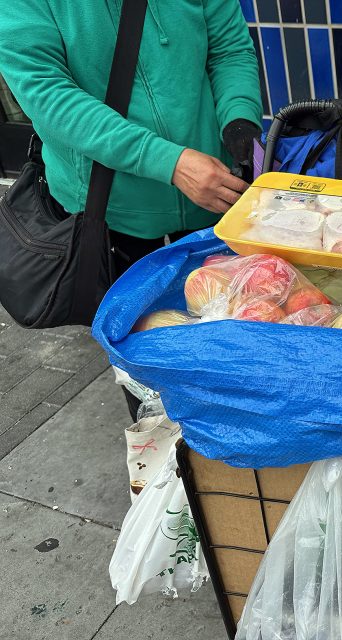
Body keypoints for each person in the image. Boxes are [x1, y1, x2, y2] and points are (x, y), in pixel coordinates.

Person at [0, 0, 263, 418]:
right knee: (148, 371)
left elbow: (229, 49)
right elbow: (48, 96)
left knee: (239, 344)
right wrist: (169, 162)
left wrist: (239, 122)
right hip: (112, 216)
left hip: (217, 203)